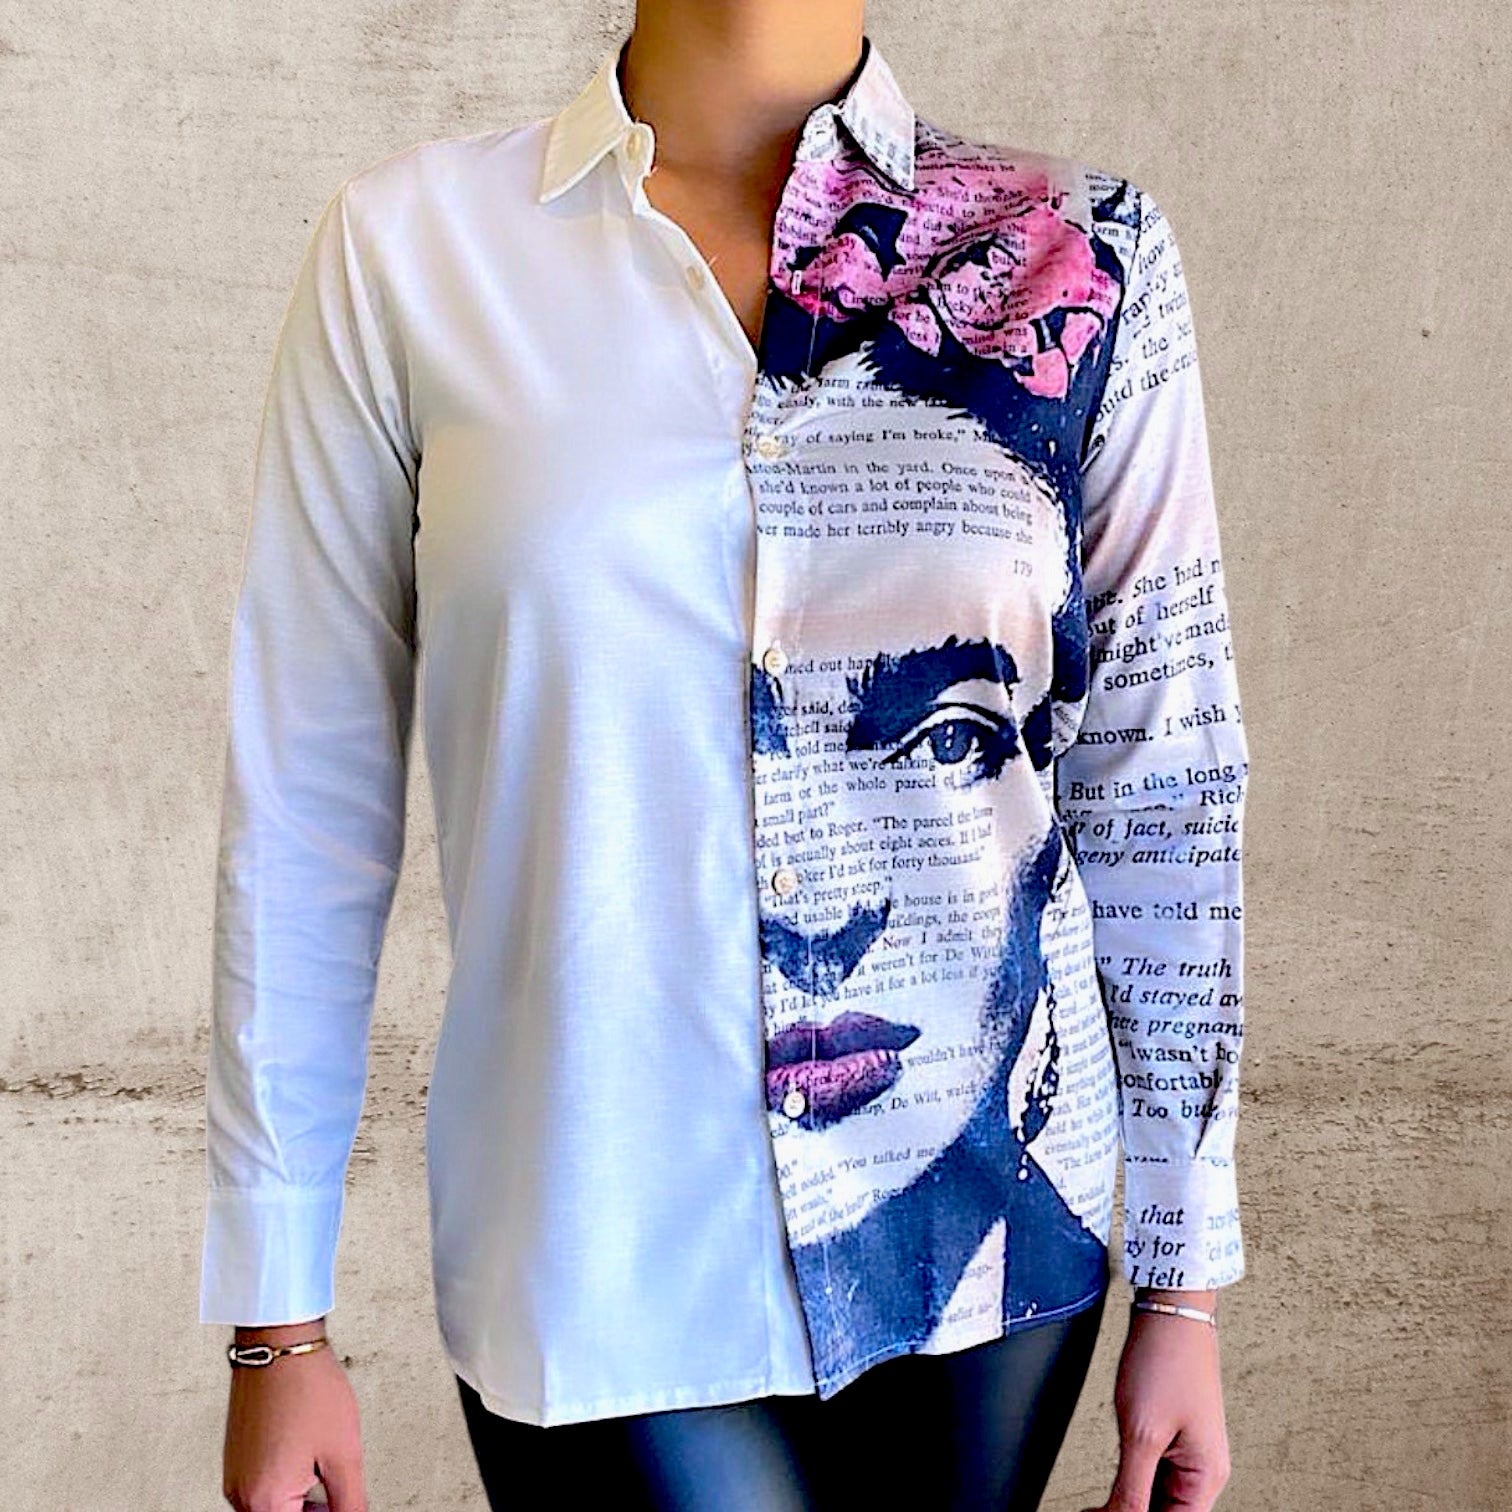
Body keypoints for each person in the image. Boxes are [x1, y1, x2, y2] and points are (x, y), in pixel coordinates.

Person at [202, 4, 1249, 1509]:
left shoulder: (1083, 254)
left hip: (991, 1256)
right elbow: (309, 796)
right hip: (592, 1229)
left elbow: (1161, 783)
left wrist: (1182, 1283)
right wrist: (276, 1317)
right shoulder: (411, 253)